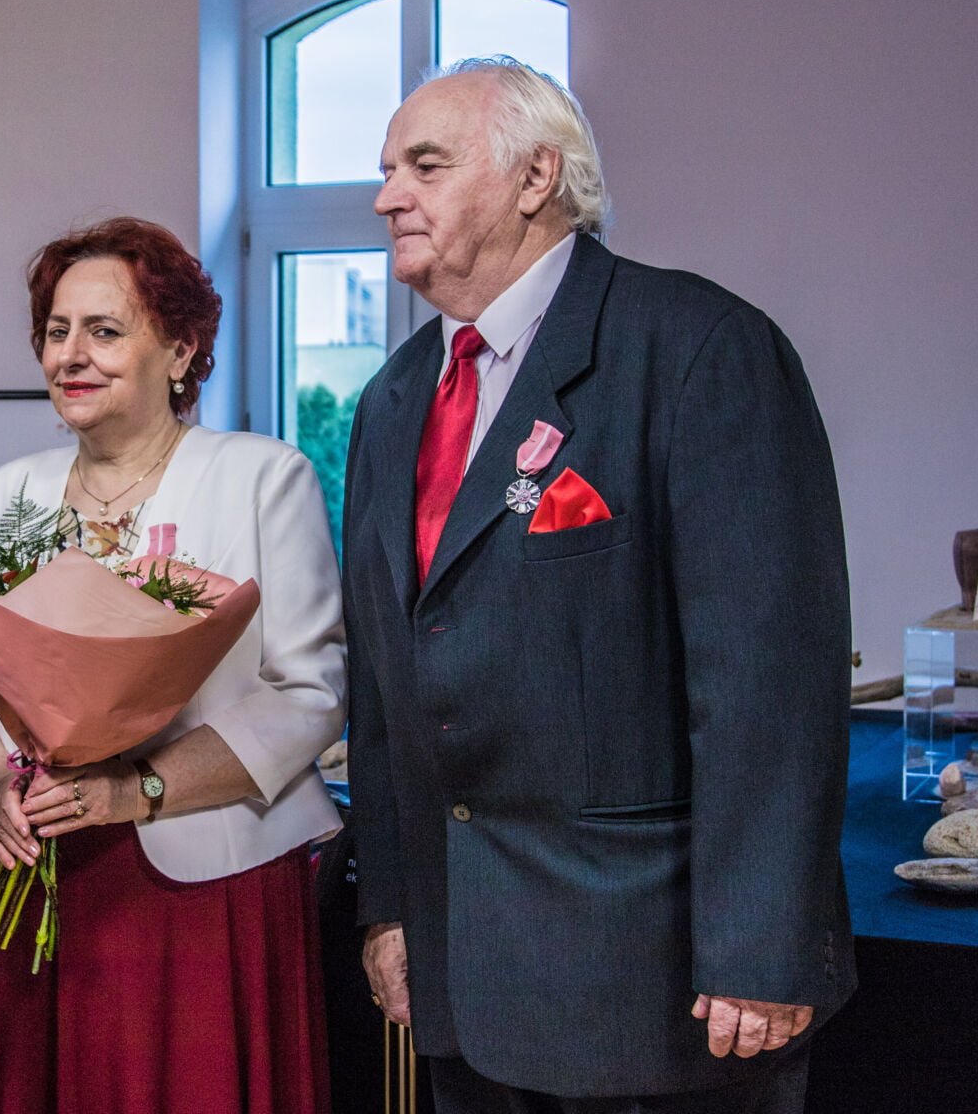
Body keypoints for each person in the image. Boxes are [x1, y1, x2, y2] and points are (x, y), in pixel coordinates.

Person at [344, 57, 855, 1112]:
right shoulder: (391, 401)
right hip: (461, 981)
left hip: (658, 987)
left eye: (425, 166)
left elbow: (767, 683)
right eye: (387, 169)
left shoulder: (698, 348)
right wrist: (390, 905)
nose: (388, 196)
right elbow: (386, 685)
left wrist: (763, 948)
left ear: (536, 177)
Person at [0, 217, 345, 1114]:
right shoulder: (7, 493)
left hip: (206, 881)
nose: (70, 355)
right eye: (56, 331)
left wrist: (137, 790)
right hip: (34, 864)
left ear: (181, 349)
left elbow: (308, 692)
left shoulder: (262, 478)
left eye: (104, 330)